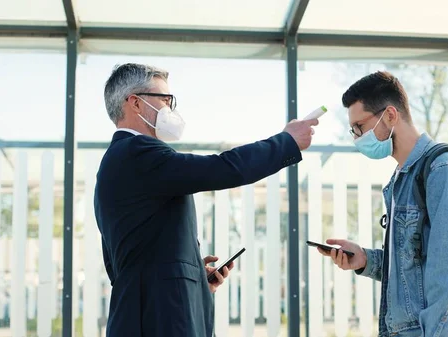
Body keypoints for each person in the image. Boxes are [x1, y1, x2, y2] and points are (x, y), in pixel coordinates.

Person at [94, 63, 318, 337]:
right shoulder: (136, 152)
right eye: (165, 100)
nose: (170, 109)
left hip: (147, 313)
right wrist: (287, 142)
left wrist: (193, 278)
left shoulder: (121, 161)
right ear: (135, 103)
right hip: (156, 319)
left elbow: (135, 255)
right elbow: (220, 169)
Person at [318, 71, 448, 337]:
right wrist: (364, 260)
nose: (357, 137)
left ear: (391, 116)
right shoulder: (402, 178)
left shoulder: (446, 171)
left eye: (359, 127)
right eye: (353, 131)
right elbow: (416, 270)